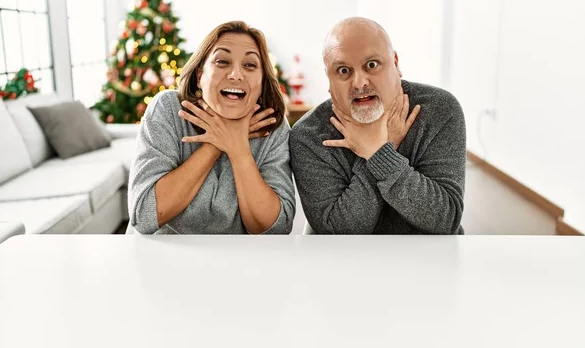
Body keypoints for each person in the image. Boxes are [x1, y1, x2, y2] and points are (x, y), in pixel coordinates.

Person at [290, 17, 466, 234]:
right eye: (343, 71)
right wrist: (381, 151)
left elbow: (445, 221)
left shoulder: (440, 109)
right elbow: (336, 234)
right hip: (349, 264)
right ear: (329, 79)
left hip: (430, 263)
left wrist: (376, 152)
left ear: (396, 63)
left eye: (371, 65)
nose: (360, 82)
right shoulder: (308, 136)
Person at [129, 21, 295, 234]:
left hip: (239, 263)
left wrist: (238, 149)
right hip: (164, 260)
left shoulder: (271, 126)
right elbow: (144, 216)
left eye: (250, 65)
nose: (236, 74)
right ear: (200, 77)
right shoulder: (168, 109)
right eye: (223, 61)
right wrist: (217, 142)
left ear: (262, 82)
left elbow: (277, 229)